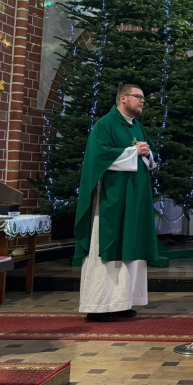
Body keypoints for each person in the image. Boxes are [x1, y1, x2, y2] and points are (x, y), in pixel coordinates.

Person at [73, 85, 159, 322]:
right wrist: (133, 151)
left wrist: (146, 153)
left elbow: (149, 155)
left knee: (130, 247)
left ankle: (122, 302)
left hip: (134, 198)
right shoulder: (105, 124)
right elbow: (98, 156)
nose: (142, 101)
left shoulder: (137, 126)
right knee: (107, 247)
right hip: (112, 198)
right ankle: (98, 305)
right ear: (123, 98)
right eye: (138, 97)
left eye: (143, 97)